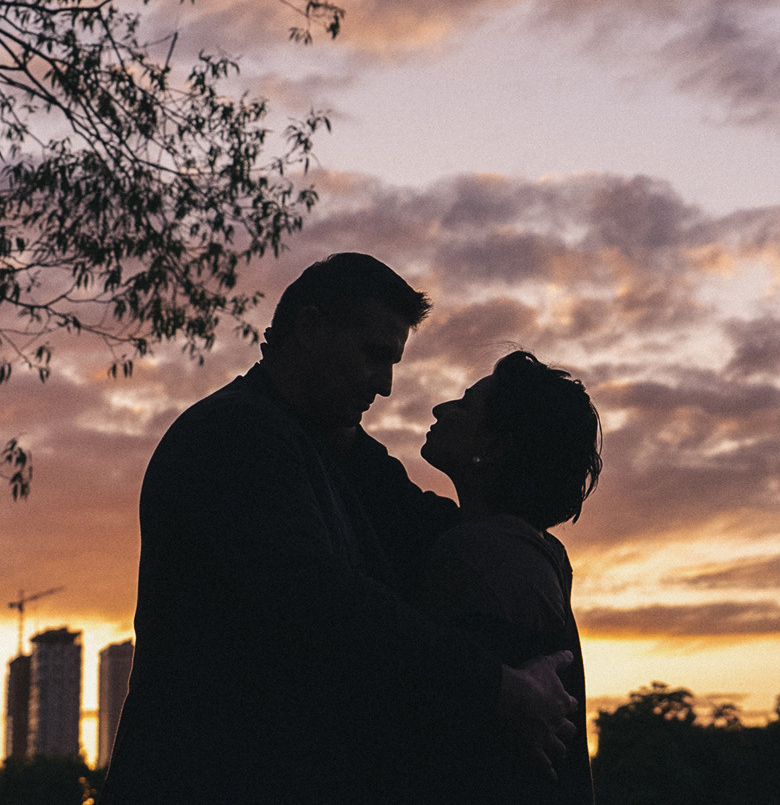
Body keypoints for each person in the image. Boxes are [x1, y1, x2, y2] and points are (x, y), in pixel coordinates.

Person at [105, 254, 579, 805]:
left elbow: (436, 530)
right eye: (375, 356)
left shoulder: (334, 449)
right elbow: (319, 603)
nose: (385, 386)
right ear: (309, 329)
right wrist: (496, 688)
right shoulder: (232, 437)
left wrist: (531, 549)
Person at [417, 351, 603, 805]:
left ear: (494, 448)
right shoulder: (528, 549)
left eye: (464, 405)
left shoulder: (483, 555)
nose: (441, 408)